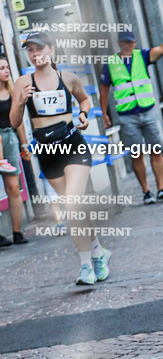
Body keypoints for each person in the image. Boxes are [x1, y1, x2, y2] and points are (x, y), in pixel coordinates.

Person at [10, 31, 107, 285]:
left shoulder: (68, 78)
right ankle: (98, 251)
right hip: (47, 152)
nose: (35, 54)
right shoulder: (23, 83)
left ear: (51, 50)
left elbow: (84, 100)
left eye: (39, 48)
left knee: (73, 203)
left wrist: (83, 115)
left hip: (73, 145)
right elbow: (14, 121)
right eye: (30, 50)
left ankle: (86, 265)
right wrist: (20, 102)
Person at [100, 27, 163, 205]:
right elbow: (104, 89)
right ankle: (146, 192)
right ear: (119, 43)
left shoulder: (142, 56)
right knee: (136, 155)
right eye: (124, 42)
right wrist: (103, 113)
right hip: (127, 116)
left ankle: (161, 189)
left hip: (148, 111)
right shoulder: (110, 63)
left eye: (130, 42)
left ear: (135, 42)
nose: (127, 45)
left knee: (156, 151)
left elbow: (161, 49)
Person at [0, 57, 30, 247]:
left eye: (7, 67)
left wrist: (24, 145)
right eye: (2, 68)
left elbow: (18, 122)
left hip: (9, 139)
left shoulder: (12, 92)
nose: (6, 70)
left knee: (13, 187)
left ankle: (17, 232)